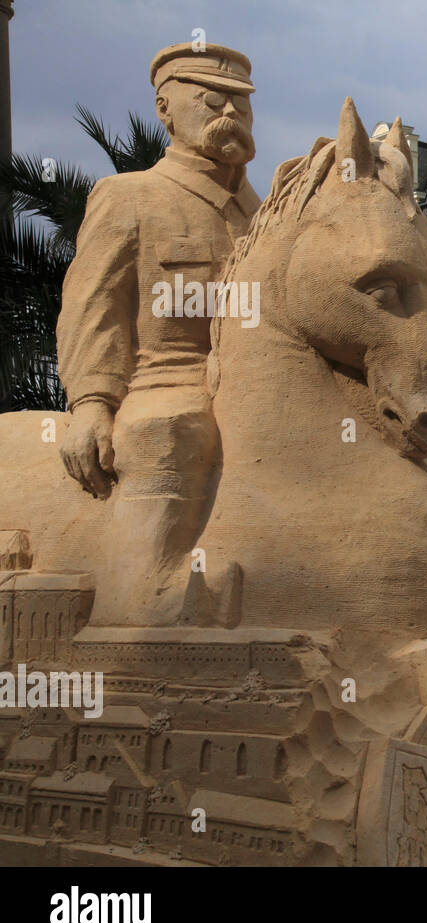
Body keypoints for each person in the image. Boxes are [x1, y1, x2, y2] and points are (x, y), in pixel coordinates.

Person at [57, 43, 260, 626]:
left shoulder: (263, 213)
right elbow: (91, 305)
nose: (231, 115)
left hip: (260, 388)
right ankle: (136, 605)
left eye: (242, 107)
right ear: (166, 109)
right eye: (212, 101)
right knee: (170, 433)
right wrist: (92, 404)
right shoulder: (131, 197)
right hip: (169, 382)